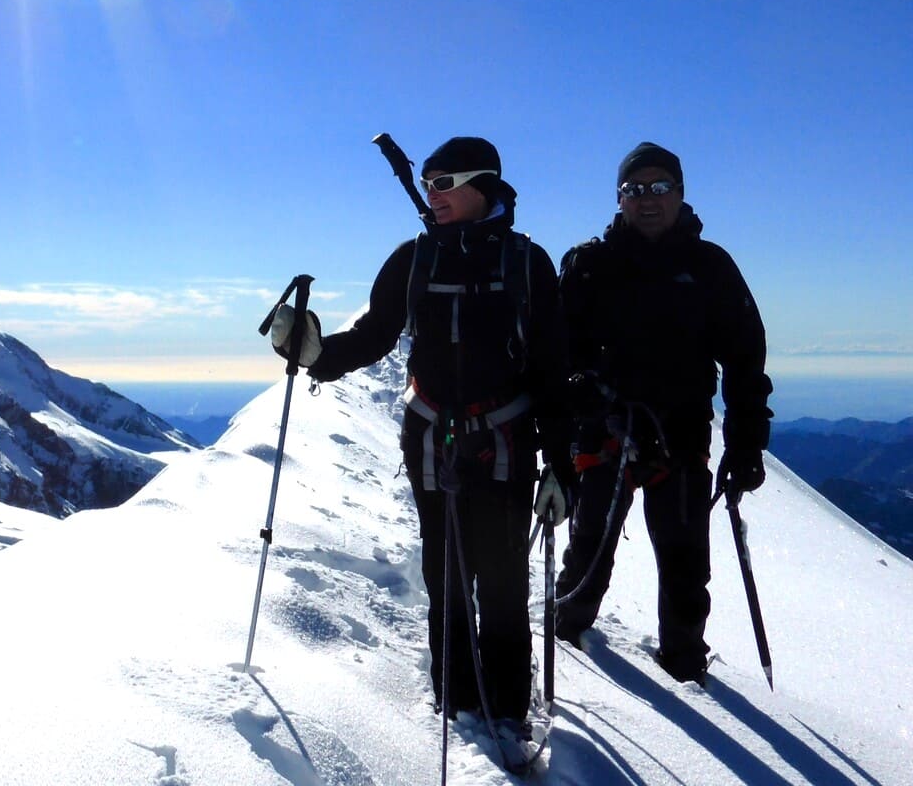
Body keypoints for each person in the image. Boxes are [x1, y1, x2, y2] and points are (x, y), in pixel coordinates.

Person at [276, 137, 573, 738]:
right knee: (446, 575)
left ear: (482, 185)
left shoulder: (526, 263)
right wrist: (317, 355)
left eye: (445, 183)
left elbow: (551, 369)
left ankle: (510, 710)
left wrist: (562, 465)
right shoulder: (413, 260)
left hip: (506, 440)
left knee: (505, 580)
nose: (432, 194)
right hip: (433, 439)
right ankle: (459, 706)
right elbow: (376, 333)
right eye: (428, 183)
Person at [552, 142, 772, 686]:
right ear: (619, 198)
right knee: (587, 559)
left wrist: (747, 443)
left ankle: (685, 670)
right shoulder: (587, 266)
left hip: (680, 436)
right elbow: (554, 349)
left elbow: (745, 359)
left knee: (684, 565)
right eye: (634, 190)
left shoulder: (710, 267)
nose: (647, 200)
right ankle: (565, 650)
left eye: (658, 188)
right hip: (604, 431)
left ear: (679, 193)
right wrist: (574, 390)